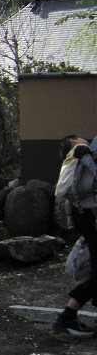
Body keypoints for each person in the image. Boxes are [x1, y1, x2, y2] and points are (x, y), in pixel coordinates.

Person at [52, 135, 97, 338]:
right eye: (78, 138)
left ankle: (68, 316)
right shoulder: (80, 151)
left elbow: (68, 201)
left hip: (83, 216)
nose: (84, 139)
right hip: (91, 215)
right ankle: (67, 316)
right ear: (72, 141)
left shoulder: (70, 163)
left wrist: (71, 221)